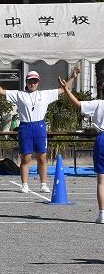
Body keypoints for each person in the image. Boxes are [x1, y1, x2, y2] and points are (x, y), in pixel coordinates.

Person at [0, 67, 76, 194]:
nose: (32, 83)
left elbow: (63, 89)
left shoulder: (45, 94)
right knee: (25, 159)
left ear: (38, 82)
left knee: (42, 158)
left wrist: (73, 76)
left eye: (35, 81)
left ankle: (43, 184)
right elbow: (1, 91)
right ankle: (25, 184)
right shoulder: (19, 94)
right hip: (25, 127)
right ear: (26, 82)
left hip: (39, 127)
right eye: (30, 81)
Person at [58, 75, 104, 222]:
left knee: (101, 181)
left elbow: (78, 104)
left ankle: (102, 214)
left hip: (101, 138)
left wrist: (66, 89)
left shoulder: (98, 104)